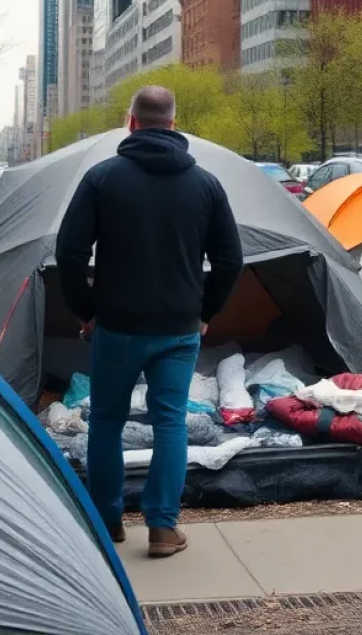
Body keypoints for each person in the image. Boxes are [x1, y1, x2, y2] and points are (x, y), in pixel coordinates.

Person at [56, 86, 244, 557]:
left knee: (105, 424)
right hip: (179, 328)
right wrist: (204, 313)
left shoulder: (101, 179)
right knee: (170, 424)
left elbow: (70, 253)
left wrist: (86, 312)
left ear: (131, 122)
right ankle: (162, 529)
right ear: (174, 125)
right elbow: (230, 260)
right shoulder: (206, 184)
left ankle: (107, 523)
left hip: (116, 326)